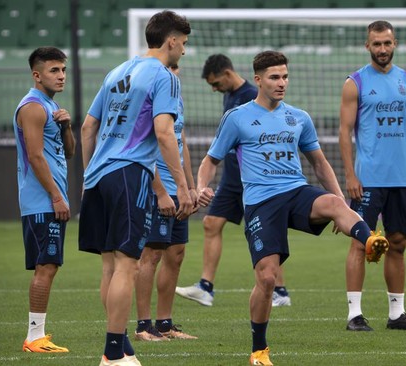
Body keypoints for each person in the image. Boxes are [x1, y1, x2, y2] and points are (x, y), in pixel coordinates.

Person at [196, 50, 389, 366]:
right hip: (261, 203)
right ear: (258, 80)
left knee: (330, 202)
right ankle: (259, 351)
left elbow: (319, 162)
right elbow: (210, 160)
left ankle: (369, 240)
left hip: (295, 191)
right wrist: (202, 186)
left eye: (285, 76)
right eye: (274, 77)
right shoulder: (237, 117)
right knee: (268, 278)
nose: (281, 82)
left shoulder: (299, 117)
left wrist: (340, 201)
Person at [78, 10, 194, 366]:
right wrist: (183, 188)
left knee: (111, 268)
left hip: (98, 175)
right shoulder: (164, 77)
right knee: (127, 267)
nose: (184, 52)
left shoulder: (117, 71)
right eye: (184, 44)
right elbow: (163, 133)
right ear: (171, 40)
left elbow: (87, 128)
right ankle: (113, 353)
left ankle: (123, 346)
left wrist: (88, 177)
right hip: (130, 174)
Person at [175, 53, 291, 307]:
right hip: (231, 176)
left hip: (250, 178)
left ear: (227, 74)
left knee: (264, 232)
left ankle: (279, 291)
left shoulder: (252, 95)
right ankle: (206, 287)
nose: (215, 90)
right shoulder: (231, 96)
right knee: (211, 223)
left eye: (216, 84)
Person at [339, 20, 406, 332]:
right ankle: (354, 315)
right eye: (376, 44)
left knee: (398, 243)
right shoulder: (356, 83)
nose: (382, 49)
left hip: (402, 177)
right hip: (368, 178)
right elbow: (345, 131)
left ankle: (396, 315)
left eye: (386, 43)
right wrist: (350, 174)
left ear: (395, 43)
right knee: (359, 243)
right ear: (368, 46)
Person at [14, 46, 74, 353]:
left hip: (49, 199)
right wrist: (56, 196)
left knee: (48, 264)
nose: (61, 75)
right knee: (46, 265)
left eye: (63, 69)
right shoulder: (33, 108)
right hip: (42, 201)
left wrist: (66, 126)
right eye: (54, 70)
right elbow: (36, 156)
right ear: (37, 75)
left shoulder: (51, 107)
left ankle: (37, 335)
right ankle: (34, 337)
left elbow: (69, 152)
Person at [134, 63, 198, 342]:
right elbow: (143, 149)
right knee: (152, 255)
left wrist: (191, 187)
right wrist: (159, 190)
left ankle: (165, 323)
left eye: (175, 66)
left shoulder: (176, 99)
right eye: (168, 66)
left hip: (179, 190)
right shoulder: (147, 102)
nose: (174, 70)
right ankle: (143, 326)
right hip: (156, 189)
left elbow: (181, 143)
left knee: (176, 254)